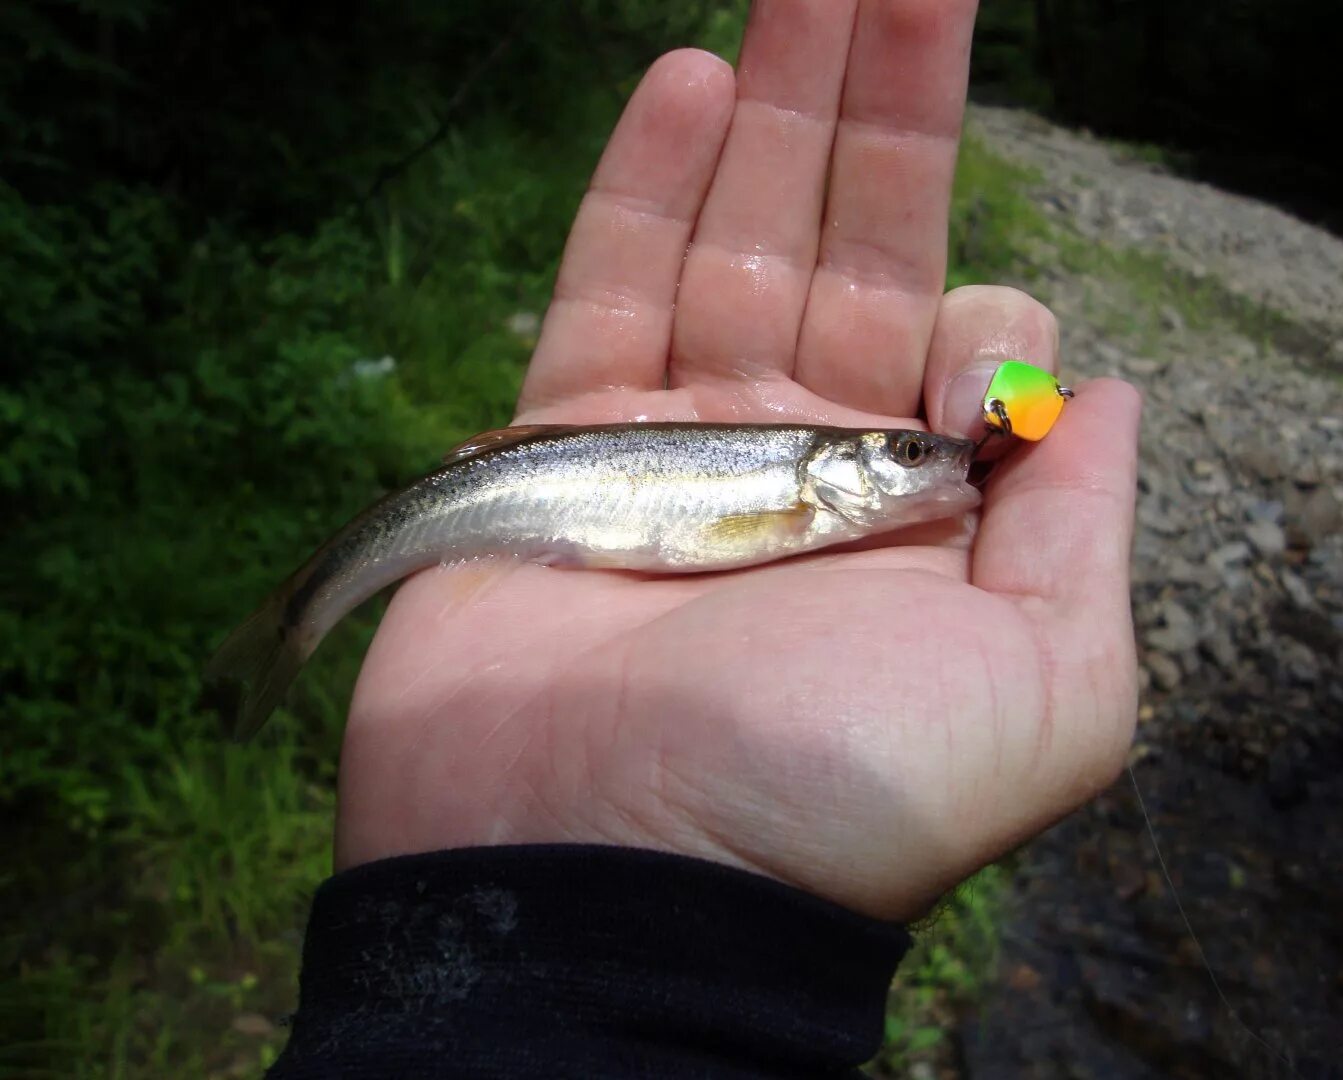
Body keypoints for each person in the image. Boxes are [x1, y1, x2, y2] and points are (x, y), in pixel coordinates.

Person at [268, 1, 1141, 1076]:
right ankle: (294, 620)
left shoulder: (836, 518)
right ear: (845, 472)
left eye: (918, 455)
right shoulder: (804, 493)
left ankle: (288, 624)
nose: (930, 464)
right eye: (905, 458)